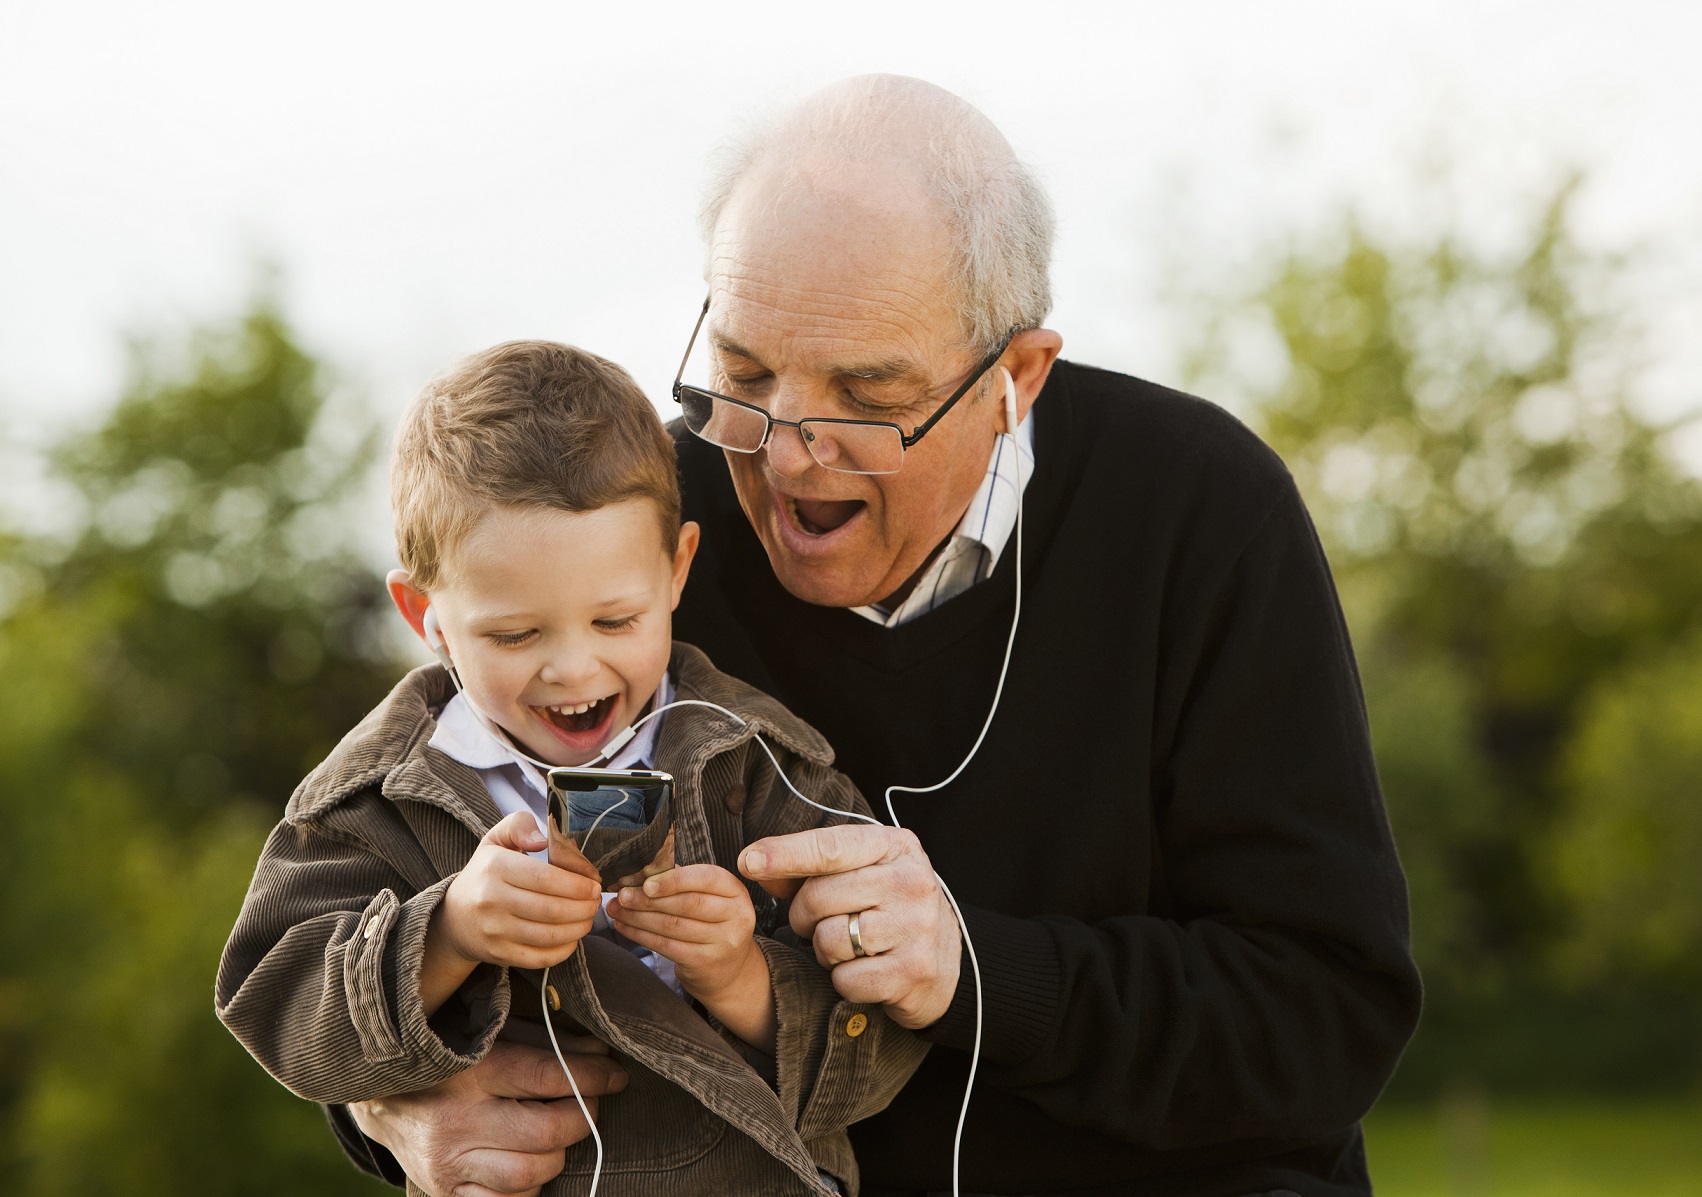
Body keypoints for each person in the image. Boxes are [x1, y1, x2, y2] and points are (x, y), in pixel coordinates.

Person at [340, 76, 1423, 1197]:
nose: (789, 454)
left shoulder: (1200, 509)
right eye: (746, 374)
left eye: (864, 394)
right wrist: (388, 1111)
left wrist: (972, 967)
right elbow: (390, 870)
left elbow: (1325, 1019)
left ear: (1014, 377)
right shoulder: (634, 539)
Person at [217, 341, 926, 1196]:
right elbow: (276, 1009)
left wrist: (740, 977)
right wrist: (448, 932)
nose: (574, 669)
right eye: (516, 635)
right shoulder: (377, 801)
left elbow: (891, 1042)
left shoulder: (761, 762)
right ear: (425, 615)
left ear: (676, 571)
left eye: (615, 620)